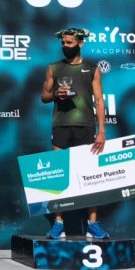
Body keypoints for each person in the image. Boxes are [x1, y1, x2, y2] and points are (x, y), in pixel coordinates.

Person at [40, 27, 109, 239]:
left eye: (69, 43)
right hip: (61, 125)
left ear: (80, 43)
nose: (65, 46)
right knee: (58, 174)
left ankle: (93, 224)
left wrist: (101, 131)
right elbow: (44, 96)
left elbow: (99, 101)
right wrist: (55, 94)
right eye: (63, 43)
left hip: (86, 126)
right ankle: (58, 223)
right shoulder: (54, 67)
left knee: (89, 176)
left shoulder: (92, 69)